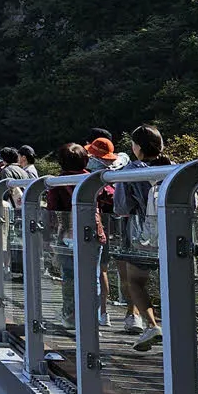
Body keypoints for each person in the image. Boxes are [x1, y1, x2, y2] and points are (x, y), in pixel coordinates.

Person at [115, 125, 171, 351]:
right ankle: (176, 328)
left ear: (136, 147)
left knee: (135, 281)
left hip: (141, 235)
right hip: (173, 233)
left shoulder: (131, 171)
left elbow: (121, 207)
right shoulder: (173, 168)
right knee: (172, 282)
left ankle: (152, 325)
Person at [45, 143, 107, 330]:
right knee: (92, 277)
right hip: (93, 233)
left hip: (67, 235)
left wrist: (47, 237)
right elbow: (107, 198)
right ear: (85, 159)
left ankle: (70, 315)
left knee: (69, 276)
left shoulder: (57, 182)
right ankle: (91, 317)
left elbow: (51, 210)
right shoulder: (93, 179)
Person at [83, 137, 120, 325]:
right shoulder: (113, 174)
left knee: (93, 270)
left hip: (93, 226)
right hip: (109, 226)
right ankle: (103, 312)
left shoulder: (91, 176)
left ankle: (93, 312)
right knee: (103, 269)